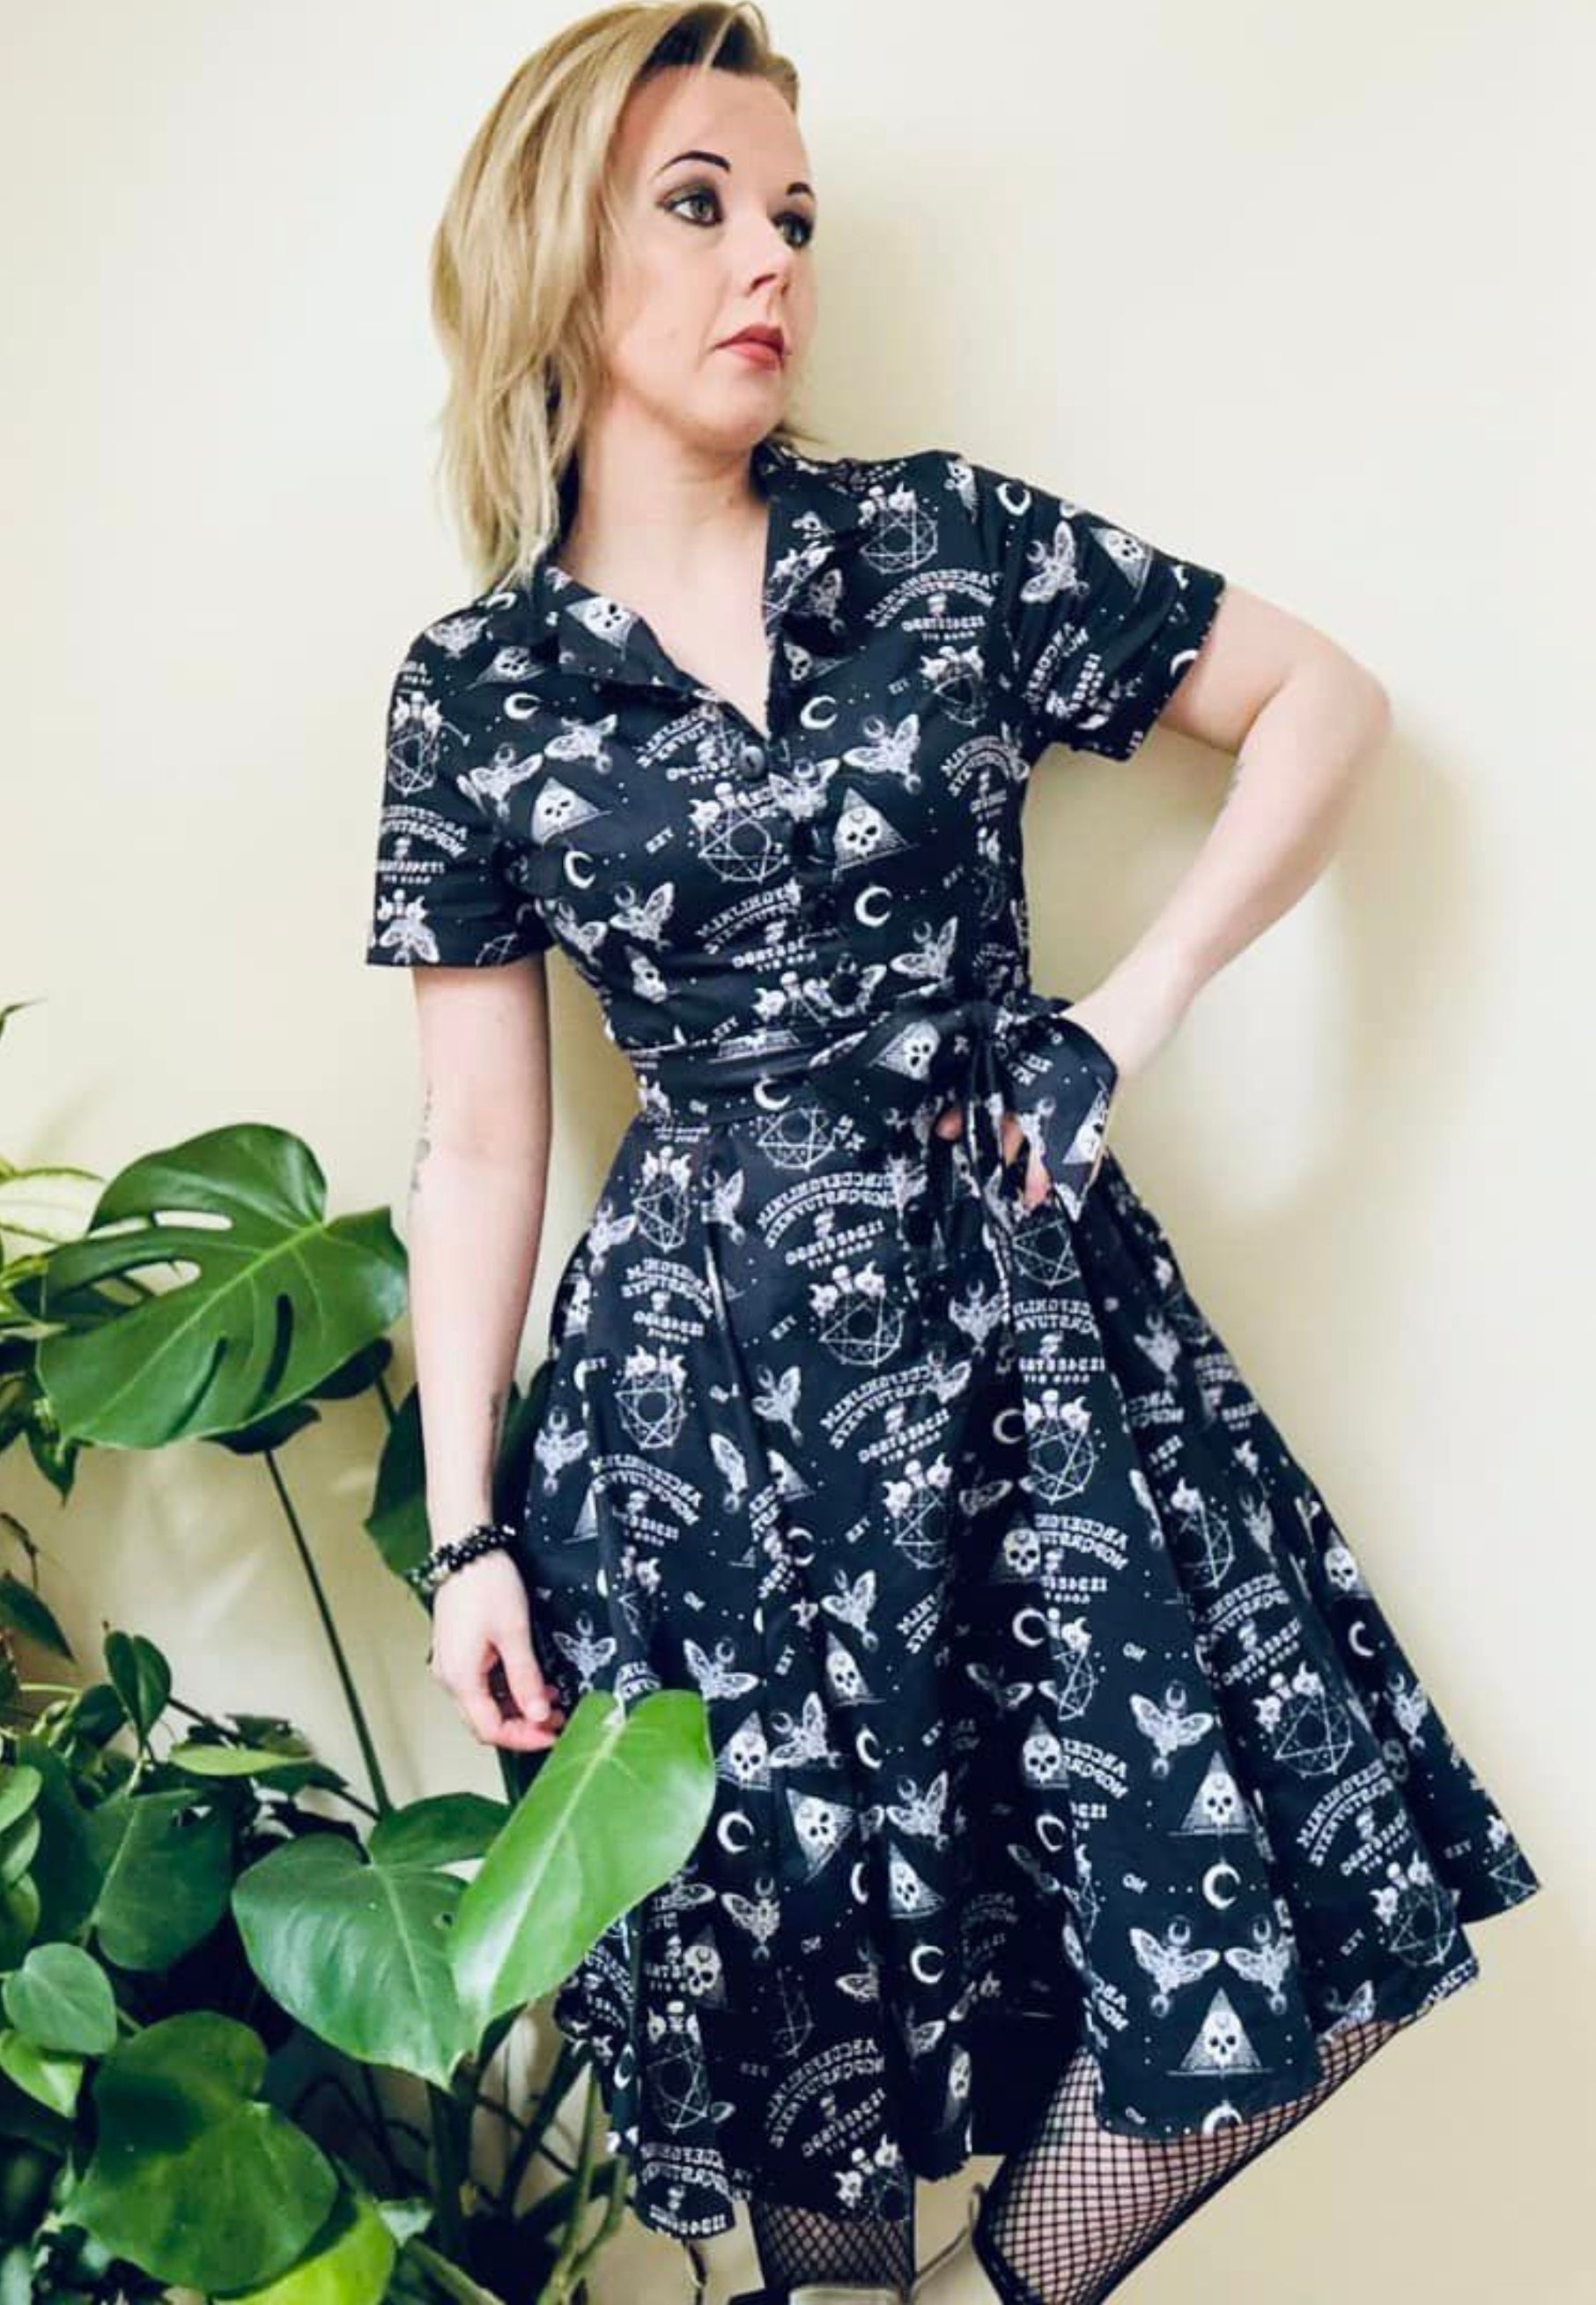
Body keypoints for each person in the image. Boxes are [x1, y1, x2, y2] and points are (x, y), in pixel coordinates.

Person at [364, 7, 1543, 2300]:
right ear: (554, 242)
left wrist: (1130, 1000)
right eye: (696, 202)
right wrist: (466, 1526)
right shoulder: (472, 690)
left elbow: (1321, 699)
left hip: (1032, 1342)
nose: (764, 260)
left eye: (790, 214)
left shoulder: (937, 540)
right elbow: (479, 1139)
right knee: (823, 2075)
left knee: (1270, 1911)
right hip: (714, 1422)